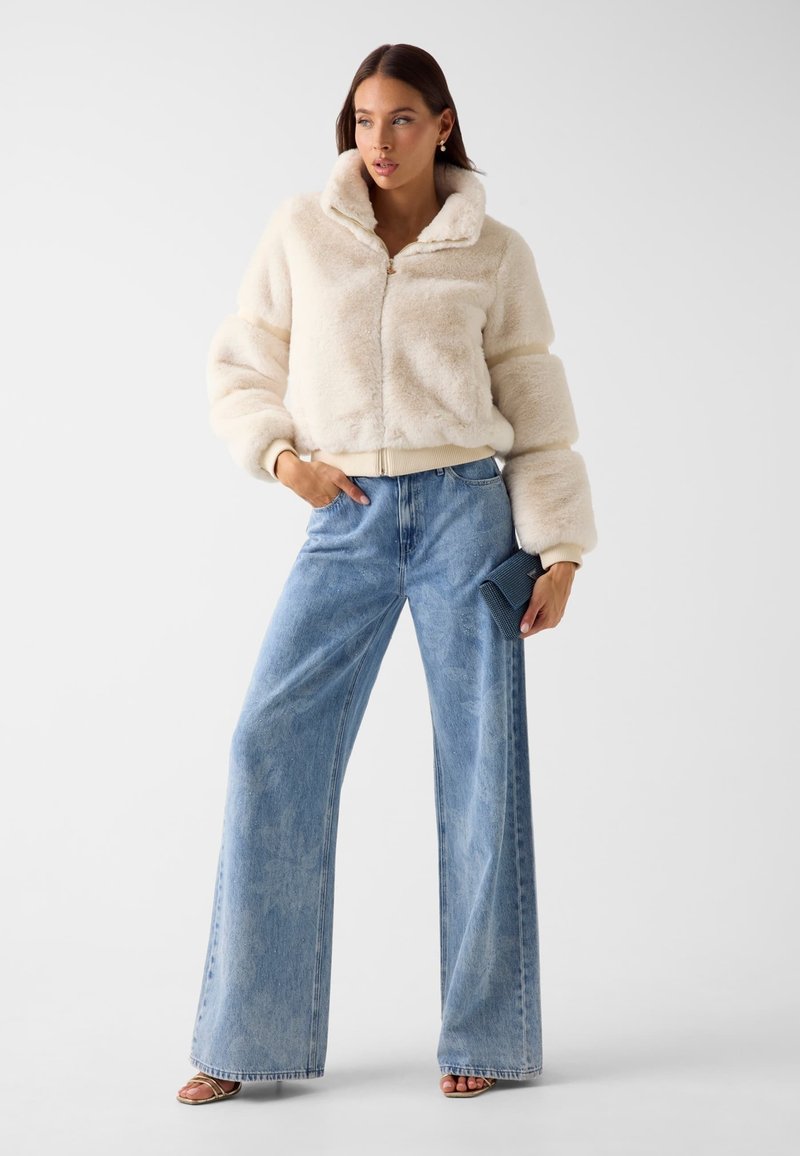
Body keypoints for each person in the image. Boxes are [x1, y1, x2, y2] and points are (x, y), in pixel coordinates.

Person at [177, 41, 597, 1106]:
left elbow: (534, 397)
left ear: (441, 125)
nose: (380, 140)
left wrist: (559, 550)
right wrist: (283, 461)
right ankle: (246, 1039)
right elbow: (242, 359)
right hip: (346, 511)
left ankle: (486, 1036)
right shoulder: (301, 231)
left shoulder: (493, 251)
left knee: (481, 764)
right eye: (364, 120)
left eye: (401, 119)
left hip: (467, 513)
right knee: (268, 742)